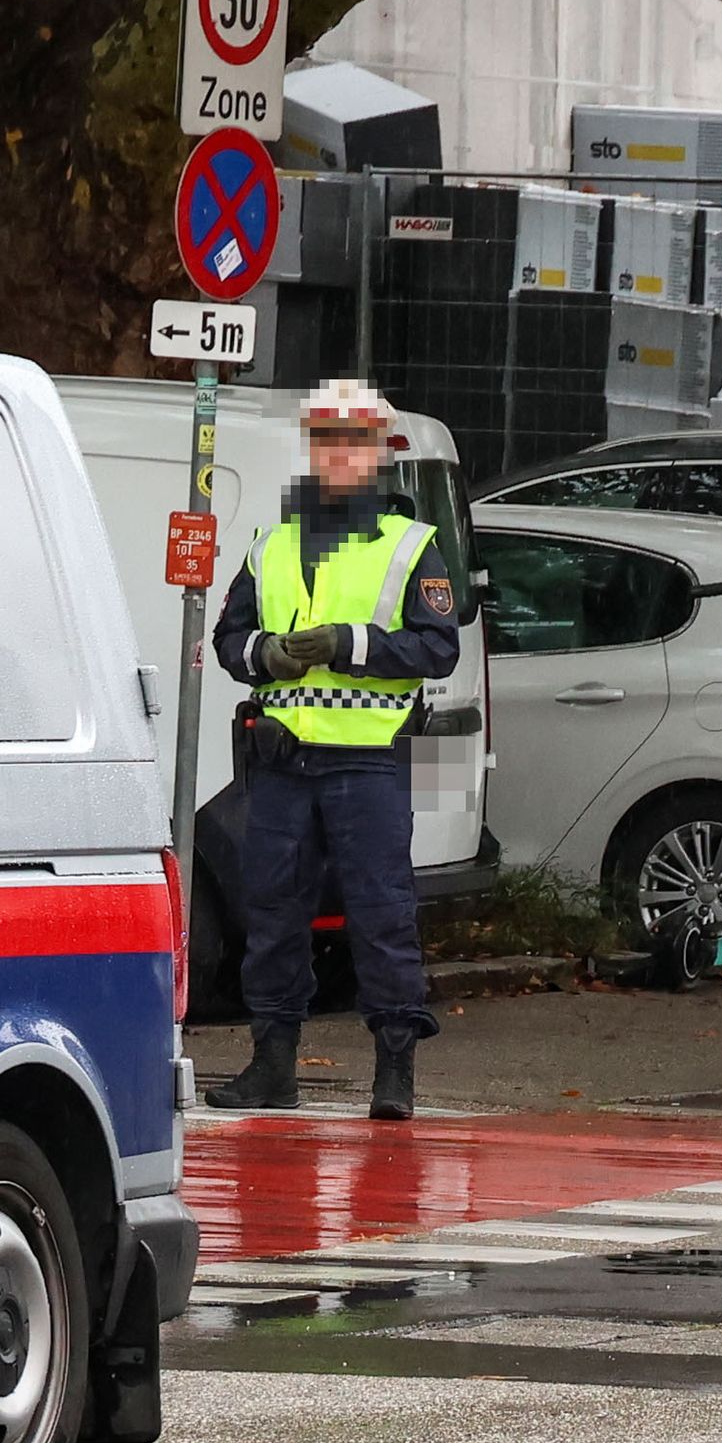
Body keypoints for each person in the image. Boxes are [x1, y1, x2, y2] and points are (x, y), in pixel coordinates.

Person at [201, 379, 460, 1121]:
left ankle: (395, 1072)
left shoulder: (412, 547)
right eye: (325, 442)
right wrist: (266, 653)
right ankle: (272, 1064)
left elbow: (437, 648)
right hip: (283, 765)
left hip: (367, 763)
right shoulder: (272, 545)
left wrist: (348, 643)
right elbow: (228, 642)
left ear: (375, 456)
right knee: (271, 915)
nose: (338, 457)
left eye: (352, 443)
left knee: (382, 915)